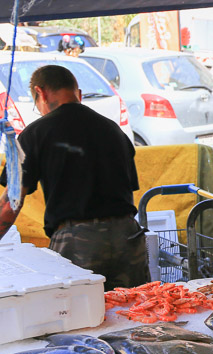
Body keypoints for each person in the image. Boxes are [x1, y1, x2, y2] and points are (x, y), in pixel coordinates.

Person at [0, 65, 149, 292]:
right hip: (128, 237)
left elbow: (10, 204)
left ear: (40, 92)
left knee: (77, 318)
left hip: (79, 240)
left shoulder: (36, 133)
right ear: (77, 93)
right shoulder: (113, 130)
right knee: (136, 314)